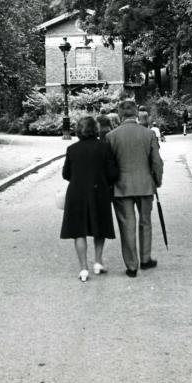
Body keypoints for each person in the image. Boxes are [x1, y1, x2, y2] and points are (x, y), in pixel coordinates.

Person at [106, 99, 163, 278]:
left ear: (120, 114)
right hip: (145, 184)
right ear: (136, 113)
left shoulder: (111, 136)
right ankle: (145, 258)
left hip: (121, 187)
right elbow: (156, 162)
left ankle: (132, 265)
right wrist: (157, 181)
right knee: (145, 222)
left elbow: (109, 165)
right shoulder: (148, 134)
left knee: (127, 225)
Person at [60, 115, 119, 282]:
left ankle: (83, 268)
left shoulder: (72, 149)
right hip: (99, 191)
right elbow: (112, 173)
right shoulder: (104, 147)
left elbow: (66, 174)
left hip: (77, 193)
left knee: (79, 230)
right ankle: (98, 262)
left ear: (79, 130)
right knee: (99, 226)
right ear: (96, 129)